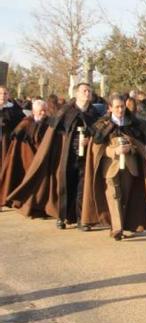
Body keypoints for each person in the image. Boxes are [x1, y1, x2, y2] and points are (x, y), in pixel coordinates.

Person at [9, 82, 101, 228]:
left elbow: (99, 132)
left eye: (89, 91)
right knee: (64, 185)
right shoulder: (66, 111)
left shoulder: (95, 113)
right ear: (76, 93)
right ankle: (62, 217)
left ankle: (81, 219)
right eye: (84, 91)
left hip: (87, 156)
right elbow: (55, 132)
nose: (87, 93)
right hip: (67, 155)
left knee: (83, 187)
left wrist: (90, 140)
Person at [80, 94, 146, 241]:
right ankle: (117, 229)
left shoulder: (133, 124)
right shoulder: (101, 125)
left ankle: (122, 225)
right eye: (117, 107)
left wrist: (131, 148)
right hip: (110, 168)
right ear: (110, 108)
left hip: (130, 168)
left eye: (122, 106)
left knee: (126, 198)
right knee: (114, 196)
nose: (120, 110)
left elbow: (142, 146)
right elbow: (97, 149)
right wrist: (114, 151)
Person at [0, 100, 48, 208]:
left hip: (43, 157)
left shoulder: (48, 123)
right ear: (34, 111)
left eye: (45, 111)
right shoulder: (26, 123)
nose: (43, 114)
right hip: (27, 157)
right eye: (41, 111)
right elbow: (17, 136)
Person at [0, 85, 26, 171]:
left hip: (7, 142)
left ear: (8, 95)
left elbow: (23, 122)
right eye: (0, 93)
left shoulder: (14, 108)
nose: (2, 96)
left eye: (5, 93)